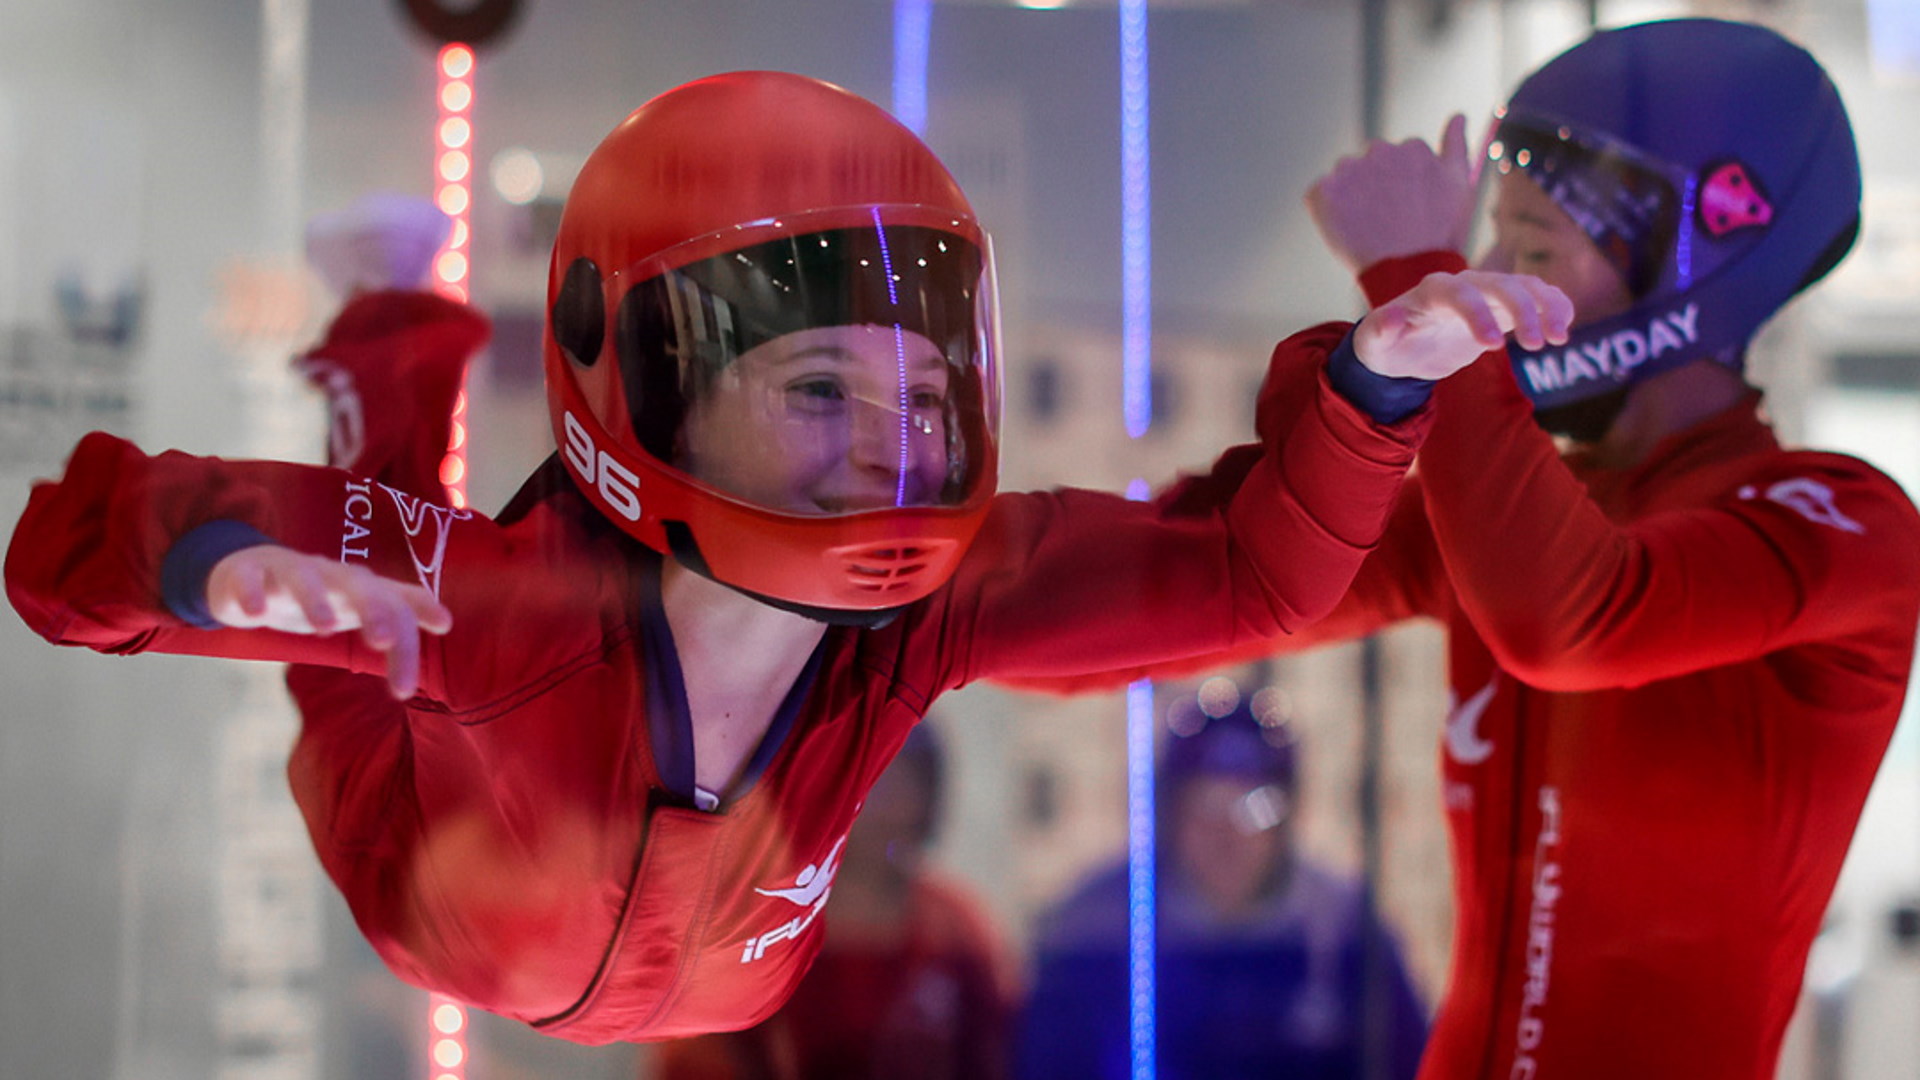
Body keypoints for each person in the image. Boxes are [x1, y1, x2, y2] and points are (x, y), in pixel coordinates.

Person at [4, 71, 1570, 1043]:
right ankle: (384, 332)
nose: (890, 454)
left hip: (711, 981)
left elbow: (1248, 577)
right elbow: (69, 550)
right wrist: (209, 572)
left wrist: (1376, 390)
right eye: (821, 391)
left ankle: (383, 340)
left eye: (924, 398)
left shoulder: (932, 613)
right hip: (429, 895)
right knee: (346, 678)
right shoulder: (491, 605)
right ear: (647, 374)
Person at [1012, 18, 1920, 1078]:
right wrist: (917, 611)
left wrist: (1418, 279)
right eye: (1490, 247)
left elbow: (1571, 620)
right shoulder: (1516, 518)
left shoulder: (1837, 519)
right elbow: (1192, 595)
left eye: (1529, 251)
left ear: (1700, 262)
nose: (1487, 277)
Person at [1017, 681, 1427, 1080]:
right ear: (1167, 815)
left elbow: (1409, 1063)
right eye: (1205, 806)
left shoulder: (1345, 929)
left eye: (1257, 807)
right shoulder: (1094, 929)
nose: (1229, 833)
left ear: (1289, 817)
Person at [657, 723, 1016, 1080]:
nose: (896, 808)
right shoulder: (763, 925)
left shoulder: (953, 927)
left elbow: (994, 1055)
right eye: (880, 782)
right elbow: (696, 1058)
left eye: (913, 784)